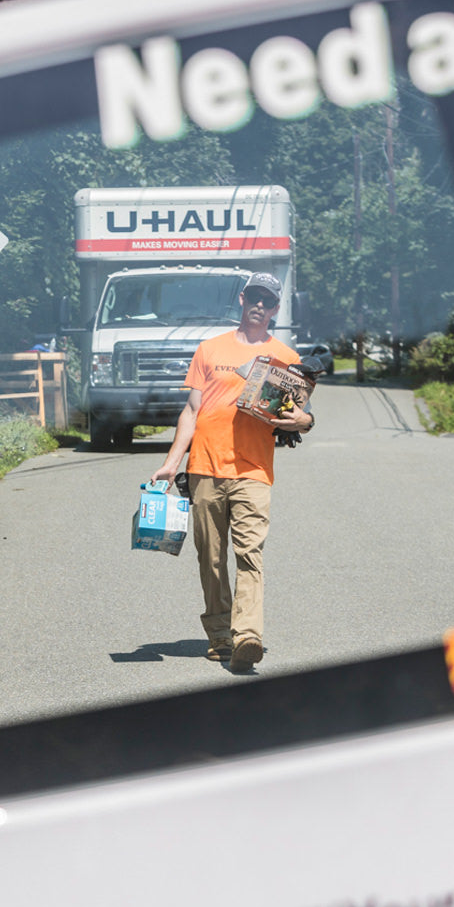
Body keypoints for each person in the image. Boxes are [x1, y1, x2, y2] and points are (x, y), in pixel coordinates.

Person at [151, 272, 314, 671]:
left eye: (268, 301)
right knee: (210, 557)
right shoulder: (209, 350)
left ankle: (247, 636)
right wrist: (172, 464)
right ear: (242, 300)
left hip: (254, 470)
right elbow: (191, 411)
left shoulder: (287, 358)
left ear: (276, 308)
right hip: (205, 465)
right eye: (254, 298)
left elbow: (300, 414)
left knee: (250, 553)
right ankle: (220, 634)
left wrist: (302, 421)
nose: (260, 306)